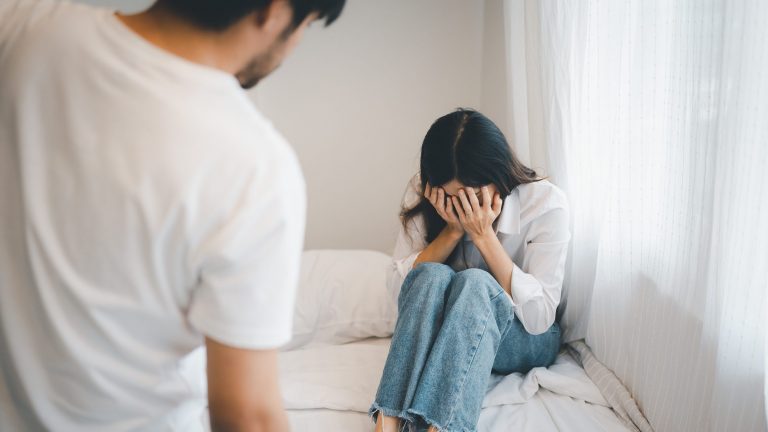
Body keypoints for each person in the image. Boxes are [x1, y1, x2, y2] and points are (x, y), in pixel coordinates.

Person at [0, 0, 344, 430]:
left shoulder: (29, 27)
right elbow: (246, 415)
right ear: (275, 12)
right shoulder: (256, 168)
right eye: (305, 26)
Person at [370, 109, 571, 432]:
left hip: (523, 337)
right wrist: (450, 232)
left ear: (499, 178)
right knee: (431, 274)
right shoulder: (425, 191)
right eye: (451, 199)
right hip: (450, 327)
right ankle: (387, 423)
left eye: (474, 197)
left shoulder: (545, 203)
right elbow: (401, 296)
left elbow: (539, 318)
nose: (463, 207)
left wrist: (483, 235)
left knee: (475, 282)